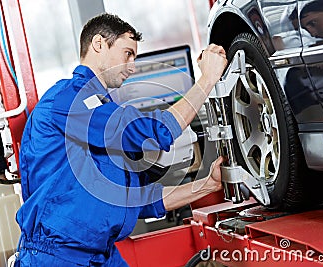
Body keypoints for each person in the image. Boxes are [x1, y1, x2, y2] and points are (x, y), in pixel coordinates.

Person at [14, 13, 227, 266]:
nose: (132, 66)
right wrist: (207, 79)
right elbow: (153, 133)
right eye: (128, 53)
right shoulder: (67, 100)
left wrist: (207, 185)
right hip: (56, 257)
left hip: (101, 255)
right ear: (99, 44)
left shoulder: (102, 112)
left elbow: (141, 200)